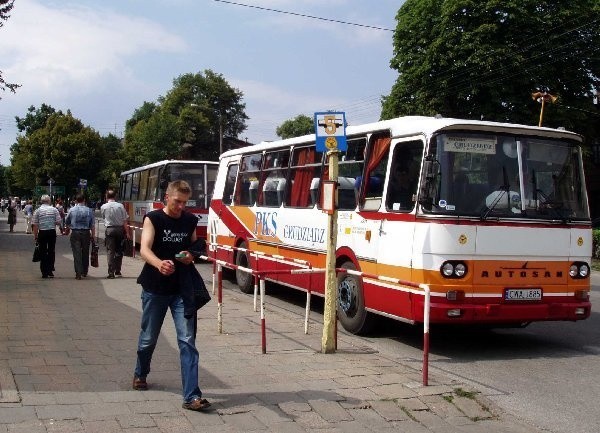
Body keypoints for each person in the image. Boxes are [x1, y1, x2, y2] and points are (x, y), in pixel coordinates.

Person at [132, 180, 211, 412]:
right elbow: (144, 249)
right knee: (148, 338)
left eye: (185, 203)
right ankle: (140, 373)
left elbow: (196, 246)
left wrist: (191, 255)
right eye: (177, 201)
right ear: (167, 197)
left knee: (187, 341)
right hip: (155, 287)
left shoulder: (189, 220)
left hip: (182, 289)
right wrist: (159, 264)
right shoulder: (153, 218)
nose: (181, 207)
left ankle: (191, 396)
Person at [65, 194, 95, 280]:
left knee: (76, 253)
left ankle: (78, 273)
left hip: (75, 233)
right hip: (86, 233)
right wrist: (93, 236)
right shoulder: (89, 210)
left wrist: (68, 228)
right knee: (85, 253)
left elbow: (67, 221)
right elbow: (92, 225)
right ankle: (84, 271)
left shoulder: (72, 210)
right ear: (84, 200)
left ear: (76, 201)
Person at [100, 189, 130, 278]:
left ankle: (110, 272)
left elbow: (103, 217)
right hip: (120, 230)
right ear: (115, 196)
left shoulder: (103, 207)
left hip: (109, 230)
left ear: (106, 197)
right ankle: (117, 270)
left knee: (110, 251)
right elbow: (125, 220)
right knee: (119, 250)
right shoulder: (120, 206)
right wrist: (127, 233)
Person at [32, 195, 62, 278]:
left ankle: (44, 272)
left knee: (43, 251)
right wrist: (52, 222)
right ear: (49, 201)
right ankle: (50, 270)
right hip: (52, 232)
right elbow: (59, 222)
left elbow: (35, 224)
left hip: (42, 232)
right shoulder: (54, 210)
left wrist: (35, 236)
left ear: (41, 201)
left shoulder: (37, 211)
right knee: (51, 250)